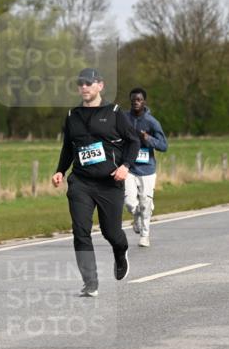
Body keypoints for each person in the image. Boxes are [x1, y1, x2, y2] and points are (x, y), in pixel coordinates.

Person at [52, 68, 140, 296]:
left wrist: (126, 166)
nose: (84, 87)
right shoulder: (73, 115)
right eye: (80, 83)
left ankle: (120, 252)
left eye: (88, 83)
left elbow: (133, 142)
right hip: (81, 182)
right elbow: (68, 147)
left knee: (111, 232)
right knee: (80, 230)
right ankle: (90, 282)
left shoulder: (115, 112)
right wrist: (60, 170)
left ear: (100, 85)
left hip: (110, 182)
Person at [123, 87, 167, 248]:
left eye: (139, 100)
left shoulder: (152, 122)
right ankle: (136, 216)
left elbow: (163, 146)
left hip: (147, 170)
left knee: (145, 203)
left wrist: (148, 138)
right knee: (129, 202)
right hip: (128, 167)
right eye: (133, 99)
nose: (136, 102)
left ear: (144, 102)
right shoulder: (123, 118)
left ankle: (145, 234)